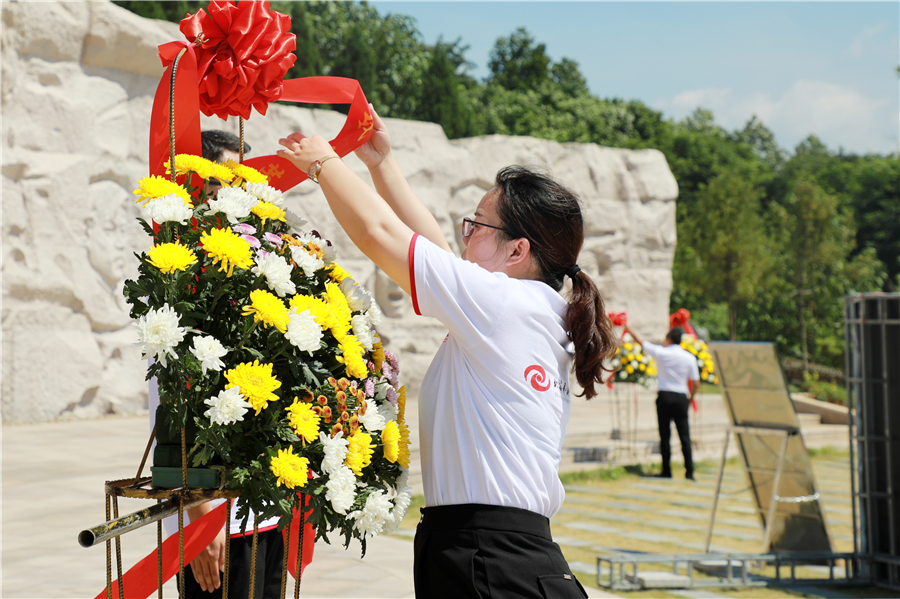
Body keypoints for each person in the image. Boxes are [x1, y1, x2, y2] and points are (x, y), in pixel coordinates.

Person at [277, 107, 616, 598]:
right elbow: (430, 248)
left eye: (477, 226)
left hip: (487, 558)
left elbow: (382, 235)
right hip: (502, 553)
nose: (465, 235)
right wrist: (382, 164)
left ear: (518, 250)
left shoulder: (502, 304)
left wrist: (323, 163)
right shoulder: (533, 307)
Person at [148, 129, 283, 599]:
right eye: (222, 183)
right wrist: (201, 518)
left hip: (263, 512)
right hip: (213, 522)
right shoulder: (178, 278)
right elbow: (173, 408)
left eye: (244, 183)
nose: (236, 195)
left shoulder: (251, 273)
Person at [623, 323, 700, 480]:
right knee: (685, 436)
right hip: (681, 397)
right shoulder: (689, 357)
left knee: (665, 436)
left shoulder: (662, 353)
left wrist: (627, 326)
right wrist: (690, 398)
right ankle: (689, 472)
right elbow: (696, 382)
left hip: (664, 396)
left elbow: (640, 341)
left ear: (669, 339)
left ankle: (666, 471)